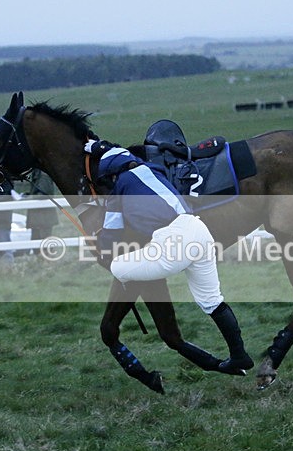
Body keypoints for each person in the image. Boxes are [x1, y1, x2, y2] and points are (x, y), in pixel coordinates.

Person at [88, 140, 254, 375]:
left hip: (173, 245)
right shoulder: (154, 170)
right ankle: (239, 355)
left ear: (112, 175)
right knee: (211, 300)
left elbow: (110, 239)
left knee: (118, 268)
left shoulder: (118, 190)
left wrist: (99, 249)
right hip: (199, 230)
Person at [26, 168, 59, 240]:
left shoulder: (43, 175)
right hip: (39, 216)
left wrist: (29, 198)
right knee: (37, 239)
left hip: (43, 216)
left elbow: (43, 194)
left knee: (43, 240)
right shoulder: (37, 173)